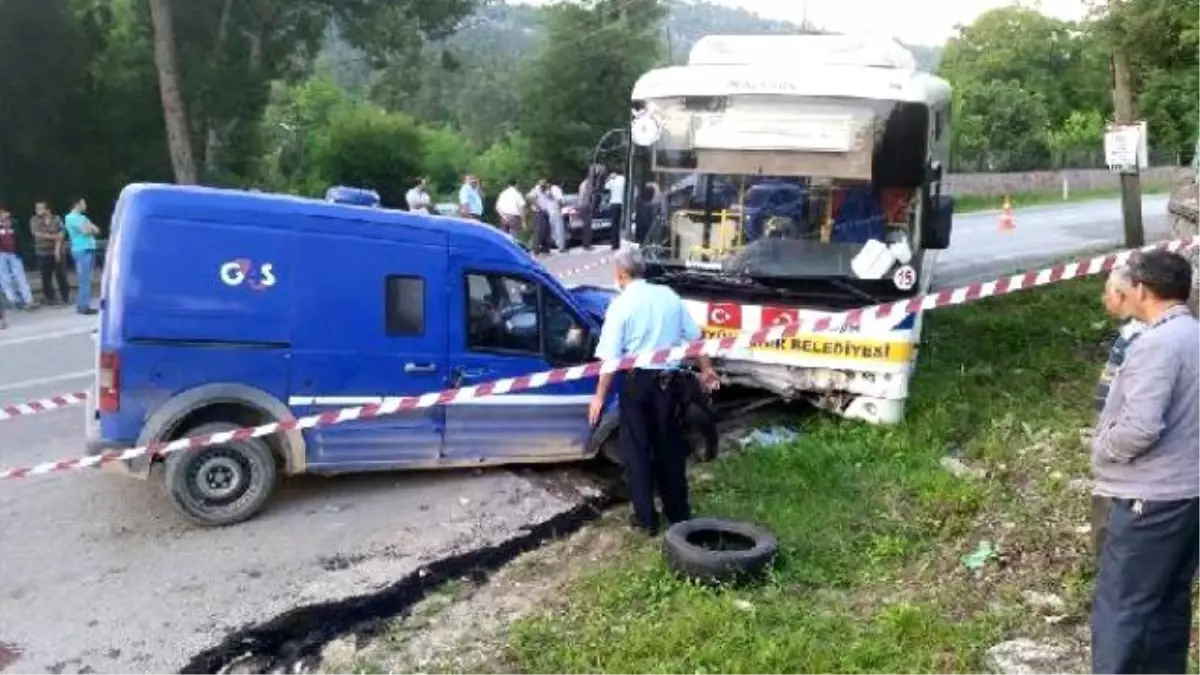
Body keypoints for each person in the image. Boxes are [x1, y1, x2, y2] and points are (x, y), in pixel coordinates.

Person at [1090, 249, 1200, 674]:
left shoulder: (1155, 345)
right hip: (1188, 494)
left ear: (1141, 289)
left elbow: (1140, 428)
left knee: (1122, 608)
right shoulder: (1193, 335)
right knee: (1169, 604)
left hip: (1150, 500)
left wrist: (1102, 448)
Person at [590, 249, 719, 535]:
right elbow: (696, 339)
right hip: (670, 383)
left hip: (639, 385)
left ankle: (646, 520)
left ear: (621, 274)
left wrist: (599, 396)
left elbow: (610, 358)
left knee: (637, 451)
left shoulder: (620, 306)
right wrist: (707, 369)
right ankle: (678, 514)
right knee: (670, 448)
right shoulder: (668, 296)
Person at [1090, 265, 1148, 558]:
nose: (1104, 298)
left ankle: (1117, 556)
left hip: (1125, 440)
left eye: (1109, 292)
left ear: (1125, 295)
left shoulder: (1144, 340)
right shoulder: (1131, 333)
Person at [64, 197, 101, 316]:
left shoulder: (83, 217)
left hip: (89, 248)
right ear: (77, 204)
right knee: (84, 278)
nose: (85, 205)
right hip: (81, 249)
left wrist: (89, 227)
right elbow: (86, 231)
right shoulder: (70, 217)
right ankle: (83, 305)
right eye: (83, 203)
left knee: (88, 278)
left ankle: (84, 303)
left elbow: (97, 230)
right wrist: (89, 228)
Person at [30, 201, 70, 305]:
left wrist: (54, 241)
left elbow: (61, 234)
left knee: (61, 275)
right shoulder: (34, 220)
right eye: (37, 208)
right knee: (45, 277)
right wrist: (54, 236)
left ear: (47, 210)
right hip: (42, 252)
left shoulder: (56, 219)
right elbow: (37, 234)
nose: (38, 210)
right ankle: (50, 298)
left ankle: (65, 297)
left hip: (57, 251)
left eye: (40, 208)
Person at [0, 206, 35, 310]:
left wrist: (11, 228)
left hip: (14, 253)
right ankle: (13, 300)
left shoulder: (14, 224)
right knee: (5, 278)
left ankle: (28, 299)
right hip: (1, 254)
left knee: (20, 276)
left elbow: (21, 237)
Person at [526, 180, 554, 256]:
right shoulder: (535, 190)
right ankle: (536, 250)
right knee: (538, 232)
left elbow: (551, 197)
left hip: (545, 212)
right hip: (538, 213)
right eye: (543, 186)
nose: (544, 187)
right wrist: (537, 205)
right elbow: (529, 197)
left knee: (547, 231)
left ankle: (545, 250)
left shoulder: (545, 191)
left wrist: (549, 190)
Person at [604, 169, 626, 251]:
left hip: (613, 203)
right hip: (623, 204)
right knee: (622, 225)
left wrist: (609, 178)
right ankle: (621, 243)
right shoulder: (624, 179)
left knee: (614, 225)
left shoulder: (612, 180)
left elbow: (605, 187)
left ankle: (614, 244)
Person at [547, 181, 566, 252]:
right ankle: (561, 247)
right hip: (556, 210)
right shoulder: (556, 188)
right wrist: (560, 208)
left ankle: (557, 244)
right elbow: (560, 200)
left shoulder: (547, 190)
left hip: (550, 212)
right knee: (559, 229)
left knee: (553, 230)